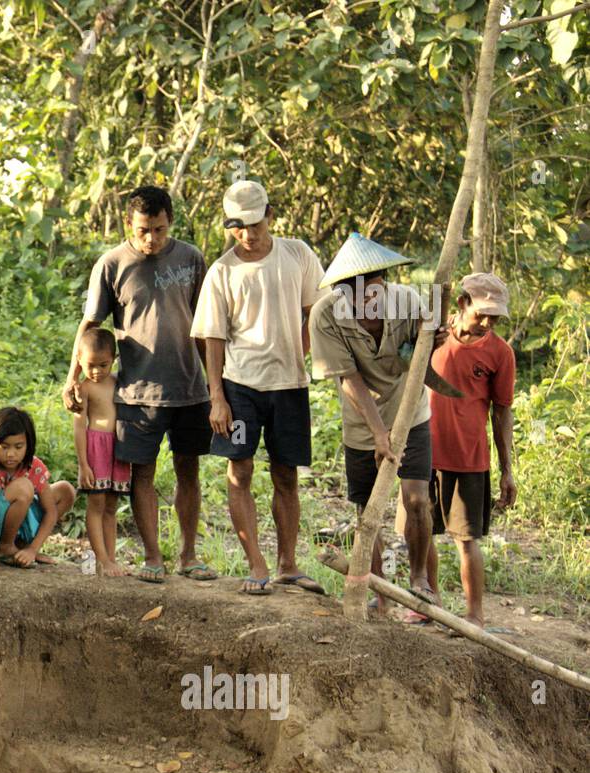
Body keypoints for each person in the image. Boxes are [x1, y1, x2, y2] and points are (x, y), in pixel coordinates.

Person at [64, 185, 216, 584]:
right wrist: (71, 379)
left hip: (189, 388)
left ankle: (189, 555)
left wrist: (216, 387)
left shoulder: (191, 258)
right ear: (128, 225)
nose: (152, 239)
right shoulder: (112, 264)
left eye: (160, 230)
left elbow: (206, 328)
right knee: (141, 475)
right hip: (137, 392)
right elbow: (90, 325)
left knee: (189, 470)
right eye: (144, 230)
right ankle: (153, 558)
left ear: (172, 224)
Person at [191, 180, 326, 596]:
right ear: (230, 226)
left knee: (286, 473)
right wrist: (217, 396)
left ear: (270, 215)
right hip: (240, 387)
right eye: (238, 227)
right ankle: (256, 562)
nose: (248, 234)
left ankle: (288, 563)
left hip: (290, 386)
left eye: (255, 223)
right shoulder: (222, 271)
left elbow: (316, 310)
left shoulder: (297, 254)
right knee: (240, 470)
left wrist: (302, 352)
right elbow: (211, 337)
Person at [310, 233, 444, 620]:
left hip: (410, 412)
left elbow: (422, 352)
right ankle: (380, 592)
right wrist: (379, 435)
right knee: (367, 514)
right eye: (359, 296)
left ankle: (419, 583)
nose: (370, 301)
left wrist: (435, 341)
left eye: (375, 290)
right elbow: (349, 379)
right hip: (362, 423)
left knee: (417, 499)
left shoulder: (408, 303)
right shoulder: (326, 316)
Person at [421, 273, 517, 629]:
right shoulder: (432, 334)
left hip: (469, 455)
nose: (488, 322)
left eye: (496, 316)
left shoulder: (499, 353)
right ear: (462, 303)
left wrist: (507, 470)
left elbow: (502, 410)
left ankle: (474, 614)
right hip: (423, 449)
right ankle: (428, 604)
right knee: (421, 531)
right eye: (483, 313)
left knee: (467, 538)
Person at [0, 407, 76, 574]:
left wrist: (33, 549)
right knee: (23, 487)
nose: (11, 454)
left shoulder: (33, 465)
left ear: (28, 444)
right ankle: (4, 547)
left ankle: (22, 547)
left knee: (65, 490)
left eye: (18, 447)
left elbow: (51, 511)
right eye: (4, 446)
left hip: (19, 528)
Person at [72, 327, 131, 576]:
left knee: (111, 506)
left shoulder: (120, 382)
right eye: (90, 365)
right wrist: (83, 464)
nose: (96, 372)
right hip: (96, 446)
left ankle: (110, 559)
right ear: (79, 362)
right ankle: (101, 559)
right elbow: (78, 427)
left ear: (114, 360)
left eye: (103, 365)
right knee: (95, 504)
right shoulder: (83, 389)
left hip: (118, 446)